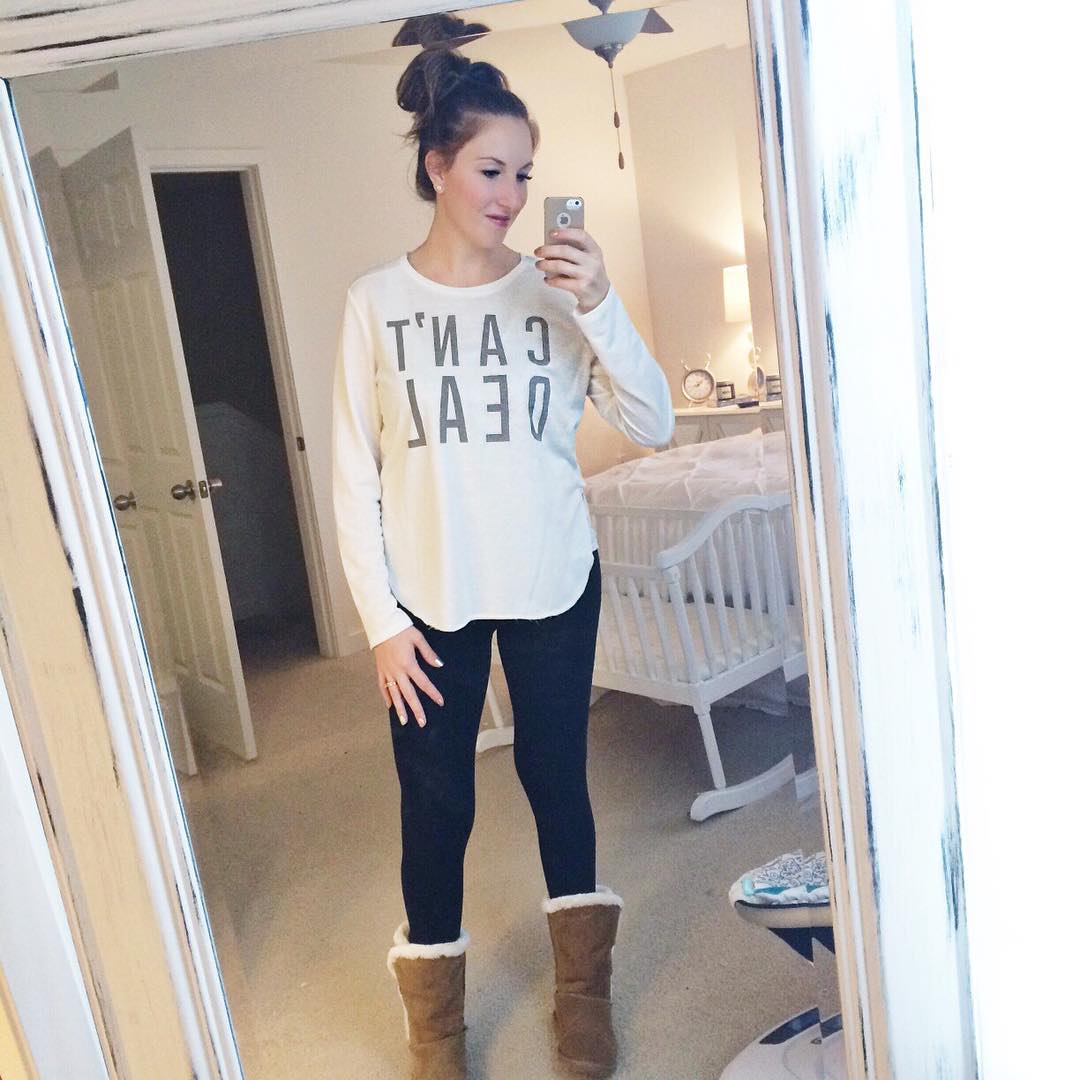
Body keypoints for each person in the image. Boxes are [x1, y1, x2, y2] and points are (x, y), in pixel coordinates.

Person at [330, 14, 675, 1079]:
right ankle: (436, 1030)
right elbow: (352, 475)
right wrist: (380, 624)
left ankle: (582, 1000)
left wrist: (601, 304)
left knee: (556, 777)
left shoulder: (557, 293)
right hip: (425, 602)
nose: (514, 195)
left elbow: (654, 421)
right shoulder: (376, 304)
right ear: (437, 167)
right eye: (492, 170)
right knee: (437, 803)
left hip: (552, 580)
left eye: (525, 174)